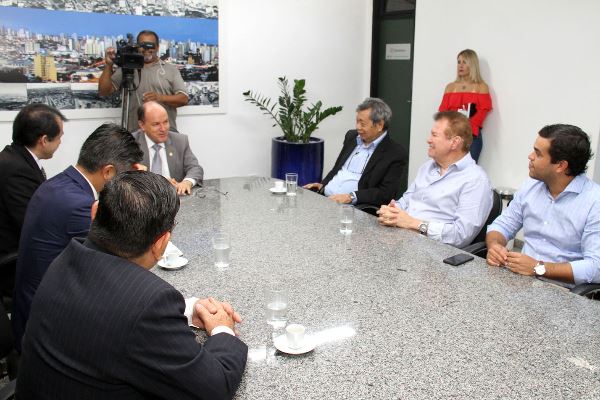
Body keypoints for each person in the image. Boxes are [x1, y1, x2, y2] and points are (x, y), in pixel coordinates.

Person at [17, 171, 247, 399]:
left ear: (95, 212)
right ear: (161, 244)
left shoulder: (66, 259)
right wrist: (221, 328)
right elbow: (215, 387)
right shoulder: (148, 305)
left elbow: (109, 313)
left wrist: (187, 309)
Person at [12, 123, 143, 352]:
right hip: (48, 329)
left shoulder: (58, 183)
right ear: (109, 172)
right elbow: (121, 263)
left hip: (29, 307)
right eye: (125, 176)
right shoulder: (80, 206)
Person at [486, 124, 600, 284]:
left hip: (565, 293)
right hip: (519, 280)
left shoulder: (595, 202)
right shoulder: (530, 187)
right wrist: (495, 246)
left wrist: (538, 268)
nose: (530, 156)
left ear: (561, 166)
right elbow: (502, 226)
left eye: (538, 154)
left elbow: (596, 268)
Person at [377, 111, 492, 248]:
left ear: (454, 142)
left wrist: (412, 223)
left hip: (436, 253)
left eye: (434, 135)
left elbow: (461, 235)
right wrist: (393, 211)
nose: (428, 140)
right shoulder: (427, 167)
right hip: (402, 240)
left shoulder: (476, 180)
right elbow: (407, 200)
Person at [0, 103, 66, 299]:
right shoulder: (16, 171)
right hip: (13, 264)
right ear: (44, 140)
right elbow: (33, 225)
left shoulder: (15, 158)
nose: (62, 142)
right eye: (60, 136)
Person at [303, 98, 408, 207]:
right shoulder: (351, 137)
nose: (358, 127)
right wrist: (322, 185)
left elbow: (385, 194)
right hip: (326, 199)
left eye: (362, 124)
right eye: (357, 121)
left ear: (379, 125)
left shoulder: (395, 153)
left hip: (354, 209)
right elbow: (338, 169)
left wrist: (351, 197)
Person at [98, 30, 188, 132]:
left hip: (164, 134)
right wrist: (109, 64)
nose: (146, 49)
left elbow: (183, 98)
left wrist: (160, 97)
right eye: (142, 45)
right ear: (137, 47)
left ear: (157, 47)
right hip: (135, 135)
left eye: (150, 45)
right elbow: (103, 91)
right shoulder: (128, 67)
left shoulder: (170, 69)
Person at [132, 101, 203, 195]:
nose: (163, 129)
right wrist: (160, 184)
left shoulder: (180, 141)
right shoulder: (131, 143)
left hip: (175, 200)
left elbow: (195, 168)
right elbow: (122, 177)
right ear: (142, 125)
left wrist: (186, 182)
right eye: (156, 124)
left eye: (165, 122)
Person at [439, 49, 492, 163]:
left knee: (469, 173)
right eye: (459, 62)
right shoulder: (450, 87)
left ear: (472, 65)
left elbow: (484, 110)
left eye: (464, 62)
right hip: (451, 135)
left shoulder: (481, 87)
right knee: (448, 171)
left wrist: (466, 127)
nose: (460, 66)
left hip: (471, 136)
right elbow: (443, 111)